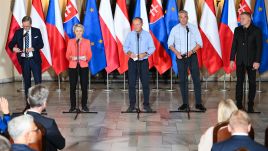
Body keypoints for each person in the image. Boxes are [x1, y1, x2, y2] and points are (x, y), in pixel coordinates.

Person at [167, 10, 206, 111]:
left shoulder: (193, 28)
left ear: (187, 17)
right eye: (181, 17)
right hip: (180, 57)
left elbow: (200, 43)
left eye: (185, 17)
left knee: (196, 79)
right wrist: (176, 53)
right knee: (183, 80)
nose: (183, 19)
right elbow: (170, 44)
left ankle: (198, 103)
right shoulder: (174, 29)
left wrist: (192, 51)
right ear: (178, 18)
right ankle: (185, 103)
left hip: (192, 56)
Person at [8, 16, 44, 111]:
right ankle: (28, 105)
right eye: (24, 26)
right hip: (24, 61)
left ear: (31, 24)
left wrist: (33, 48)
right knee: (27, 83)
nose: (25, 28)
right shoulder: (18, 32)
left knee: (38, 83)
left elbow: (41, 44)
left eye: (27, 26)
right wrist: (13, 48)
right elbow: (11, 43)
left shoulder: (36, 31)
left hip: (34, 60)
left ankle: (40, 105)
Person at [230, 12, 262, 112]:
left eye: (243, 18)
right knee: (239, 82)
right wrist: (231, 59)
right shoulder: (237, 29)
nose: (241, 20)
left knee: (252, 83)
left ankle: (250, 105)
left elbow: (259, 47)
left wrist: (257, 61)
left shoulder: (256, 30)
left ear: (249, 19)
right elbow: (234, 45)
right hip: (240, 61)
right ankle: (238, 104)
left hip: (252, 62)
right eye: (241, 18)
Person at [123, 17, 155, 112]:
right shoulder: (130, 35)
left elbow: (152, 48)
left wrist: (144, 53)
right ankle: (132, 105)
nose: (136, 26)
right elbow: (125, 47)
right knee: (132, 84)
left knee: (145, 83)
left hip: (143, 62)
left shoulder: (147, 35)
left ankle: (146, 105)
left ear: (142, 24)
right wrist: (130, 53)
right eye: (134, 24)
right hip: (132, 62)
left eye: (138, 24)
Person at [26, 85, 65, 151]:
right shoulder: (49, 124)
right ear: (44, 103)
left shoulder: (15, 118)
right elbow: (61, 145)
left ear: (28, 101)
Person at [66, 24, 92, 112]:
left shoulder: (87, 41)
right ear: (74, 32)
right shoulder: (70, 41)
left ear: (83, 32)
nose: (78, 33)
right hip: (73, 66)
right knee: (72, 86)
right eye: (77, 31)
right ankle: (73, 106)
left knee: (84, 86)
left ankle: (84, 105)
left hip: (83, 65)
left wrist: (86, 58)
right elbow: (67, 54)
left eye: (80, 31)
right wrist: (71, 58)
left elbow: (89, 54)